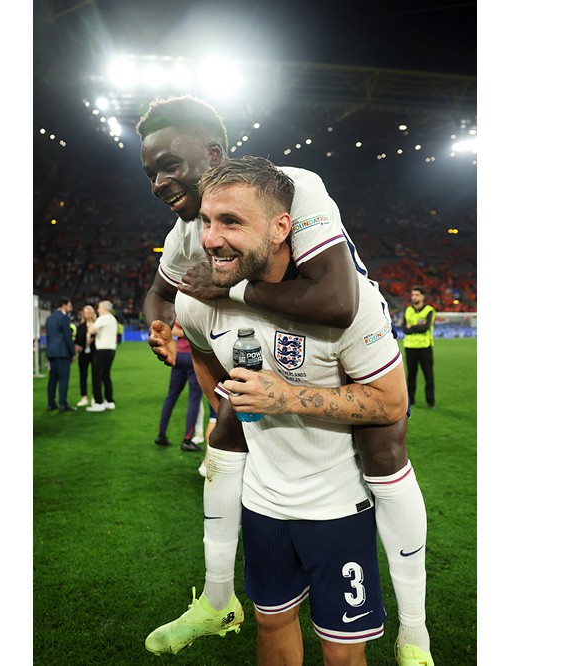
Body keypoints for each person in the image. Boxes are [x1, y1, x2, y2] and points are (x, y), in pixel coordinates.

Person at [137, 97, 432, 664]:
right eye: (150, 172)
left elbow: (335, 298)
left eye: (171, 164)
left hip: (340, 334)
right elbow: (167, 299)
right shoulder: (184, 237)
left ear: (214, 154)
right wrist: (163, 319)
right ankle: (219, 600)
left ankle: (414, 633)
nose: (159, 182)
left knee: (383, 441)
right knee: (226, 425)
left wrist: (232, 290)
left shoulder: (294, 186)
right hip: (259, 335)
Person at [154, 320, 204, 452]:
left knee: (171, 396)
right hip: (194, 357)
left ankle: (161, 434)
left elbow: (174, 330)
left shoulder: (180, 310)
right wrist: (192, 334)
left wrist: (184, 333)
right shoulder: (197, 311)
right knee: (194, 399)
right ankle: (187, 440)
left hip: (179, 355)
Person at [402, 287, 436, 409]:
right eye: (413, 295)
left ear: (422, 296)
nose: (414, 297)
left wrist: (412, 326)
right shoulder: (408, 310)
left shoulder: (429, 310)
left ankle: (430, 402)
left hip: (424, 347)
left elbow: (425, 327)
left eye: (417, 295)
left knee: (428, 375)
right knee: (411, 375)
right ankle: (411, 400)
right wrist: (416, 327)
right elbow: (404, 329)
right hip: (410, 347)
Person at [45, 297, 76, 412]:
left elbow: (48, 337)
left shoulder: (49, 318)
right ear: (64, 305)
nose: (71, 308)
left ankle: (51, 403)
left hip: (52, 353)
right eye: (69, 305)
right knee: (63, 379)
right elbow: (68, 337)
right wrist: (73, 352)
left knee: (52, 379)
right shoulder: (64, 318)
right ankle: (63, 404)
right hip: (62, 353)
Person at [86, 300, 118, 412]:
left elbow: (91, 330)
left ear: (104, 308)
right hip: (111, 349)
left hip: (102, 350)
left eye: (99, 307)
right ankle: (109, 401)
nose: (98, 309)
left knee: (97, 376)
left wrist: (90, 323)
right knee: (106, 375)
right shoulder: (112, 319)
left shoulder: (103, 318)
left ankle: (98, 402)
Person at [74, 304, 97, 408]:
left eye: (89, 312)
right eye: (85, 312)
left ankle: (94, 396)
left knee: (96, 376)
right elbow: (77, 341)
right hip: (83, 354)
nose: (87, 314)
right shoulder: (80, 327)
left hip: (95, 353)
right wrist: (77, 346)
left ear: (92, 313)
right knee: (83, 375)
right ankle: (83, 397)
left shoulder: (97, 325)